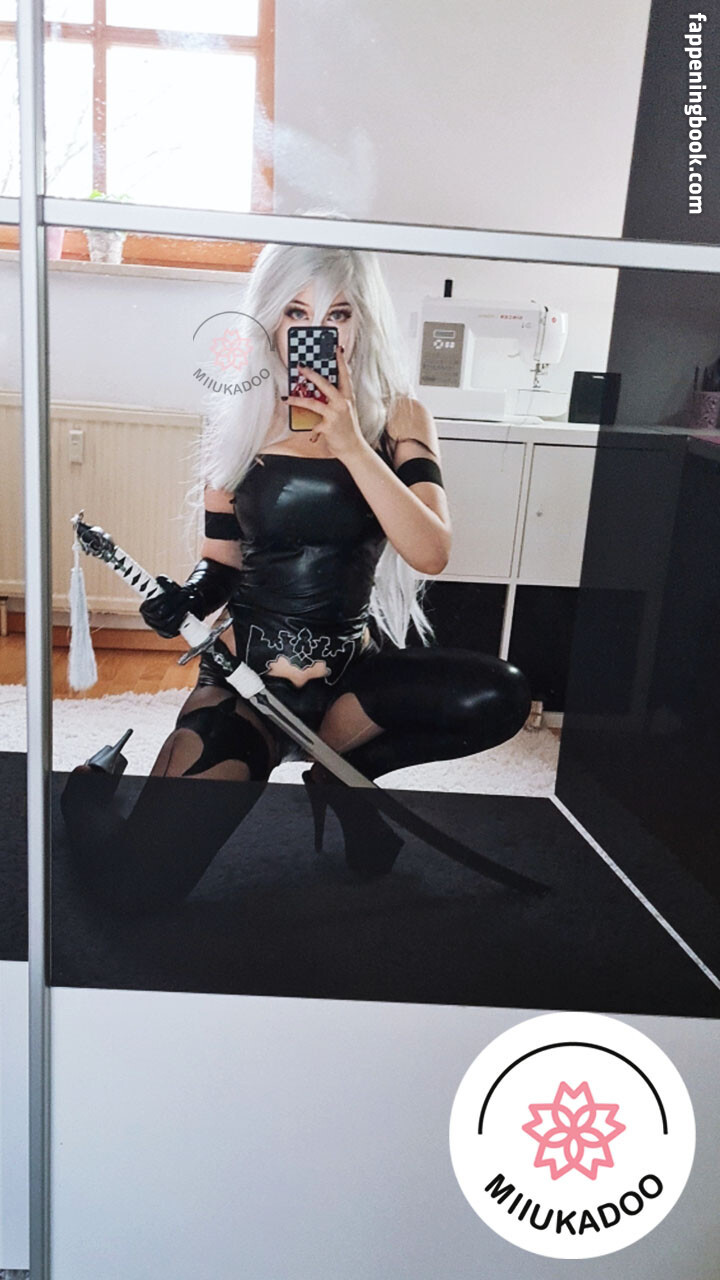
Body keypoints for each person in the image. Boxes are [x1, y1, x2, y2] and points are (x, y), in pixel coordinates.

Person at [60, 240, 532, 915]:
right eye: (296, 312)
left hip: (352, 684)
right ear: (269, 320)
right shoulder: (240, 423)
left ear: (363, 320)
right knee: (132, 891)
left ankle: (344, 776)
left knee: (503, 695)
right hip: (245, 681)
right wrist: (185, 597)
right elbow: (220, 563)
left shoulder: (400, 419)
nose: (317, 332)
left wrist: (351, 445)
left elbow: (431, 551)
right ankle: (84, 796)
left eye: (338, 314)